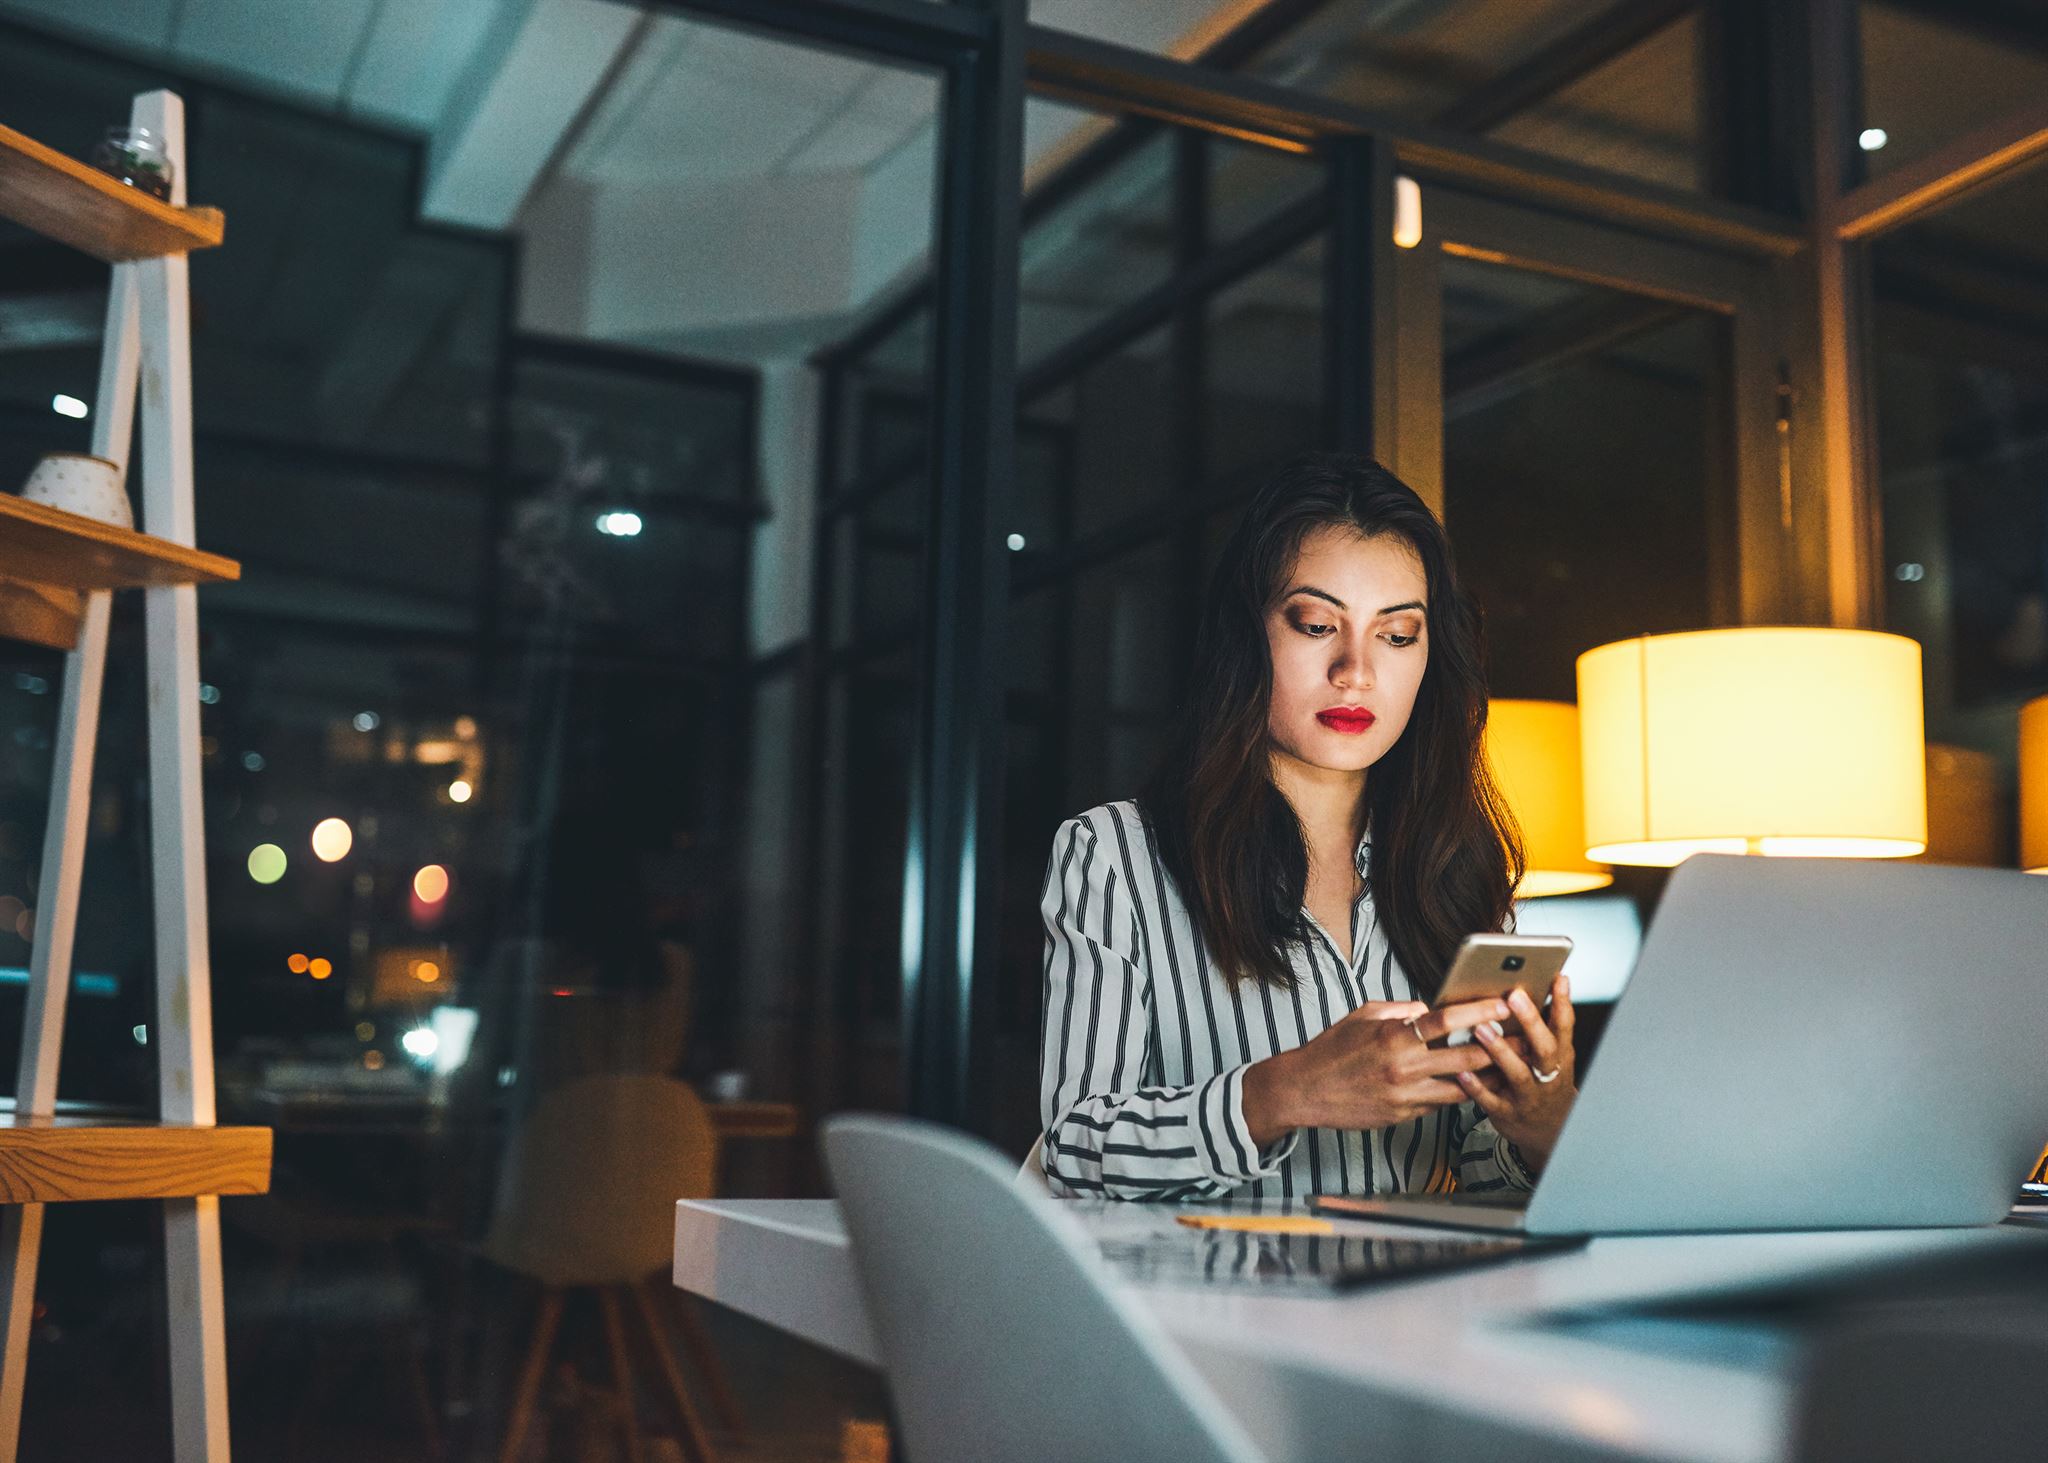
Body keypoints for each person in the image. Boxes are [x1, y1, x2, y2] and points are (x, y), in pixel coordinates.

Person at [1037, 453, 1576, 1202]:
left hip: (1411, 1309)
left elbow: (1482, 1170)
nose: (1356, 670)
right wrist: (1280, 1093)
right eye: (1319, 624)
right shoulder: (1116, 856)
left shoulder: (1460, 870)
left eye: (1397, 635)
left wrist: (1543, 1124)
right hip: (1211, 1307)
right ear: (1247, 635)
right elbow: (1075, 1151)